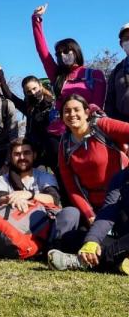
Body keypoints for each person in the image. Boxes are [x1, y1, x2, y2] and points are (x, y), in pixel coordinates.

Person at [31, 4, 106, 138]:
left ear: (76, 51)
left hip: (88, 132)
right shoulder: (58, 76)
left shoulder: (95, 75)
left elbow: (96, 105)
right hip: (59, 134)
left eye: (66, 51)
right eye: (59, 54)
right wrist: (36, 20)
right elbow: (42, 52)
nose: (63, 55)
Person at [0, 138, 80, 250]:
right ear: (11, 157)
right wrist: (14, 199)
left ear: (34, 155)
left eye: (26, 153)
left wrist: (29, 195)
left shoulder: (45, 176)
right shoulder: (1, 180)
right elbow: (1, 199)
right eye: (17, 154)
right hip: (17, 226)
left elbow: (53, 199)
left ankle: (52, 247)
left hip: (47, 224)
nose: (22, 157)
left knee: (72, 212)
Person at [58, 94, 129, 227]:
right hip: (97, 205)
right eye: (67, 111)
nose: (72, 114)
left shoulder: (101, 125)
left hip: (123, 196)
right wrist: (88, 214)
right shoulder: (64, 144)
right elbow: (71, 187)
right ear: (62, 117)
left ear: (86, 113)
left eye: (76, 109)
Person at [48, 168, 129, 274]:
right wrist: (92, 240)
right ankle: (119, 261)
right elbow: (108, 212)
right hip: (122, 240)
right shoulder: (121, 177)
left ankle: (82, 262)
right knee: (70, 238)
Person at [0, 65, 55, 169]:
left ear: (40, 86)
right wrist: (0, 74)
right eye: (29, 91)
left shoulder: (53, 105)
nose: (33, 93)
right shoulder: (29, 109)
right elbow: (10, 96)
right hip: (36, 152)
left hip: (53, 149)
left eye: (35, 88)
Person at [105, 23, 129, 122]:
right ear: (121, 44)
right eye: (126, 38)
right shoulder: (117, 70)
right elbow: (109, 101)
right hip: (123, 126)